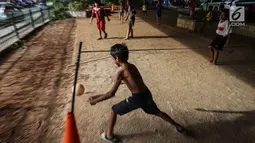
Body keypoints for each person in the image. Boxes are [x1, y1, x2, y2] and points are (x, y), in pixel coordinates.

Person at [88, 44, 187, 143]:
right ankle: (178, 126)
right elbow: (135, 81)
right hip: (146, 94)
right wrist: (97, 96)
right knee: (157, 112)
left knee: (114, 110)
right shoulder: (132, 66)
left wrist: (95, 101)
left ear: (117, 58)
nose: (113, 61)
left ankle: (109, 136)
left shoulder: (121, 73)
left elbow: (111, 93)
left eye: (113, 59)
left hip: (137, 99)